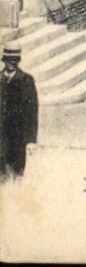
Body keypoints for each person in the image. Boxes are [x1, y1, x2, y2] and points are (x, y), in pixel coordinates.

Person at [0, 44, 38, 180]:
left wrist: (31, 140)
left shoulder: (26, 80)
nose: (12, 63)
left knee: (16, 175)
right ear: (3, 60)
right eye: (9, 60)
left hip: (18, 137)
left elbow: (32, 112)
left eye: (15, 60)